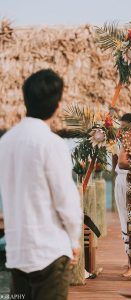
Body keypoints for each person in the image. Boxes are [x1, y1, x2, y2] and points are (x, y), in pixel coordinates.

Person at [0, 69, 83, 300]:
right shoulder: (51, 143)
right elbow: (65, 199)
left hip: (17, 252)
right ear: (57, 105)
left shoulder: (5, 143)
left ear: (26, 100)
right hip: (49, 251)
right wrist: (73, 239)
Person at [112, 112, 131, 277]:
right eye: (121, 128)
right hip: (120, 181)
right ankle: (130, 259)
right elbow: (114, 163)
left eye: (125, 128)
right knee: (124, 220)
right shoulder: (117, 142)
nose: (122, 131)